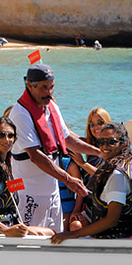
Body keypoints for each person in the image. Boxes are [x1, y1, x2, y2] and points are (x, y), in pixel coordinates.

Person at [9, 62, 100, 231]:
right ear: (30, 85)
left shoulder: (51, 107)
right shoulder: (20, 114)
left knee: (56, 236)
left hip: (52, 191)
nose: (49, 92)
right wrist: (68, 180)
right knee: (30, 237)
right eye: (43, 88)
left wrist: (99, 152)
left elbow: (67, 139)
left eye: (51, 87)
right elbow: (36, 156)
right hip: (30, 193)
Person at [51, 123, 132, 244]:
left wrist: (74, 234)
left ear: (124, 144)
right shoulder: (131, 162)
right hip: (130, 231)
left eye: (111, 142)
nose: (104, 146)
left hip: (117, 239)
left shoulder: (117, 175)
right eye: (101, 142)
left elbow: (111, 220)